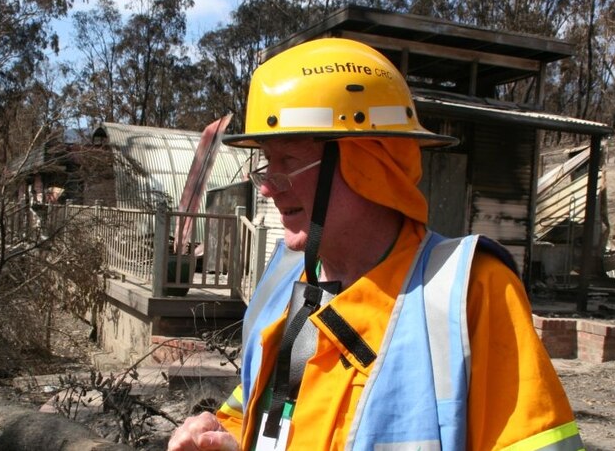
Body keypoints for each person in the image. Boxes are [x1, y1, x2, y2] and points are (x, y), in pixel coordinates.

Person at [168, 38, 582, 451]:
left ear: (368, 164)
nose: (269, 188)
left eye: (289, 162)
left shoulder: (470, 294)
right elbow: (262, 421)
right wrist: (221, 438)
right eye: (266, 163)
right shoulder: (282, 285)